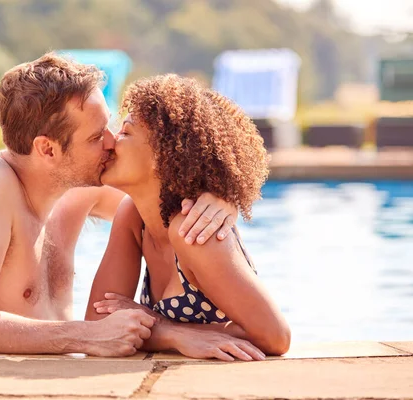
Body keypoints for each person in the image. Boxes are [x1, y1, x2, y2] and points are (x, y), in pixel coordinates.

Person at [0, 53, 240, 357]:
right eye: (96, 136)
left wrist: (222, 199)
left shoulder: (76, 190)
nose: (111, 141)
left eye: (109, 126)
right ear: (48, 149)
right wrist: (88, 335)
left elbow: (168, 207)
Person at [86, 74, 291, 360]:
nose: (110, 141)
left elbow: (276, 338)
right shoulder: (133, 217)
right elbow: (96, 324)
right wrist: (172, 335)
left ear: (164, 155)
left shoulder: (193, 230)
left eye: (125, 133)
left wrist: (156, 326)